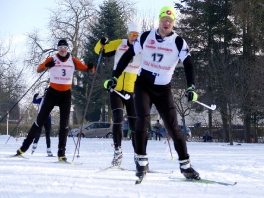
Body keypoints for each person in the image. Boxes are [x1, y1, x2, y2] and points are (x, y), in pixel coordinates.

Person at [104, 6, 200, 180]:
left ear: (173, 23)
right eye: (164, 20)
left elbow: (189, 66)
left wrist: (191, 86)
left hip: (164, 89)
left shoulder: (178, 42)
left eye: (170, 21)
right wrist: (115, 77)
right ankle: (141, 162)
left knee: (173, 127)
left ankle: (186, 166)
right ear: (159, 20)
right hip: (143, 86)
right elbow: (128, 55)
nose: (167, 23)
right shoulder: (146, 36)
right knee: (142, 121)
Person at [14, 39, 95, 162]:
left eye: (65, 47)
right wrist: (47, 65)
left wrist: (91, 67)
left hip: (66, 95)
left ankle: (61, 153)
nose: (62, 49)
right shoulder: (52, 59)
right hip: (52, 93)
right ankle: (23, 148)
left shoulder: (73, 61)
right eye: (60, 47)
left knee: (64, 124)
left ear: (68, 49)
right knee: (39, 121)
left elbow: (88, 71)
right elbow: (39, 69)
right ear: (58, 49)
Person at [95, 21, 141, 166]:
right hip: (116, 90)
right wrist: (100, 43)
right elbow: (100, 50)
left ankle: (138, 154)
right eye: (132, 35)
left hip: (132, 91)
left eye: (137, 35)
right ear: (128, 34)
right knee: (118, 119)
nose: (134, 38)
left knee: (135, 123)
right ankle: (117, 151)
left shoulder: (143, 49)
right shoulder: (119, 44)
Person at [31, 89, 53, 156]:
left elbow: (59, 103)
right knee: (38, 132)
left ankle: (49, 150)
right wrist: (35, 97)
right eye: (46, 93)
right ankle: (34, 145)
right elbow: (34, 101)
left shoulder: (52, 100)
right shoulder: (41, 99)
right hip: (41, 117)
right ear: (45, 94)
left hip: (48, 119)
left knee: (48, 134)